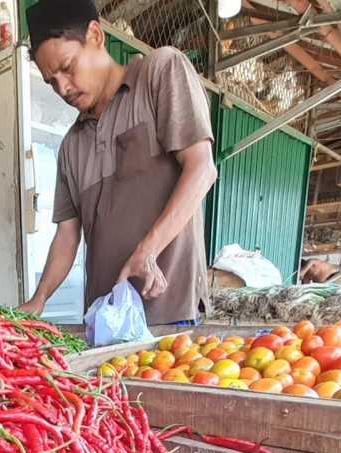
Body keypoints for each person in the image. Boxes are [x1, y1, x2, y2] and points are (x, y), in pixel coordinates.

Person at [20, 0, 218, 325]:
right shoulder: (71, 145)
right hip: (106, 324)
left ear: (95, 35)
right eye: (50, 81)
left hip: (170, 316)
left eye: (67, 67)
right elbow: (68, 235)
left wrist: (148, 250)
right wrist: (39, 299)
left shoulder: (159, 73)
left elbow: (202, 169)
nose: (63, 88)